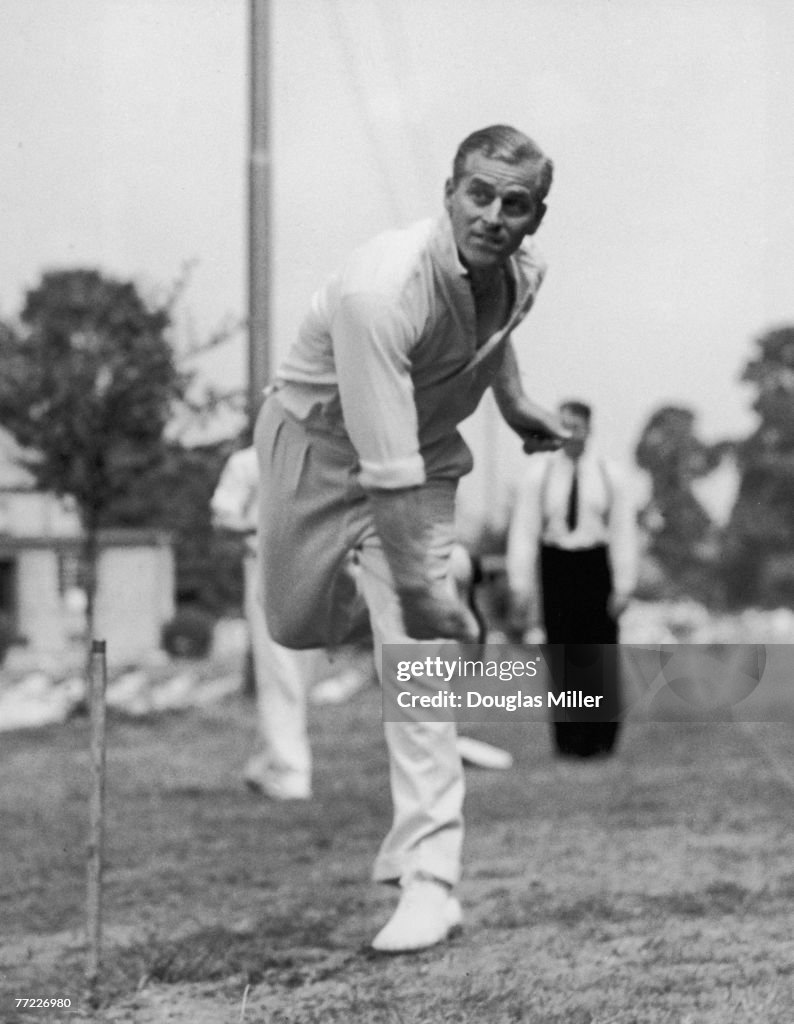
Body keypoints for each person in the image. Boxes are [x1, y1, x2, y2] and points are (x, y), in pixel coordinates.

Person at [255, 124, 566, 952]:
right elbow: (377, 466)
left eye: (517, 204)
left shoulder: (522, 271)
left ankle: (430, 882)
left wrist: (516, 403)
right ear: (449, 193)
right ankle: (405, 603)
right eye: (480, 195)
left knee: (418, 660)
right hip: (315, 449)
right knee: (294, 627)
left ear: (535, 218)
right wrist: (428, 592)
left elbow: (489, 339)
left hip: (423, 462)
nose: (496, 216)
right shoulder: (381, 291)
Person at [211, 445, 369, 801]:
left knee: (302, 676)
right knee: (279, 671)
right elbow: (222, 518)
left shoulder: (321, 460)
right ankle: (291, 774)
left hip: (315, 574)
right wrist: (269, 527)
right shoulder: (248, 462)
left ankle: (265, 763)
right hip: (269, 572)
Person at [506, 400, 638, 758]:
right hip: (557, 567)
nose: (570, 433)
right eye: (562, 425)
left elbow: (624, 531)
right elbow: (524, 531)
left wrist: (624, 584)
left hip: (596, 566)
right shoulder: (540, 474)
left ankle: (602, 738)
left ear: (588, 429)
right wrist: (520, 583)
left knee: (599, 653)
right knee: (563, 653)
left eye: (576, 426)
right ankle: (569, 740)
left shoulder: (610, 474)